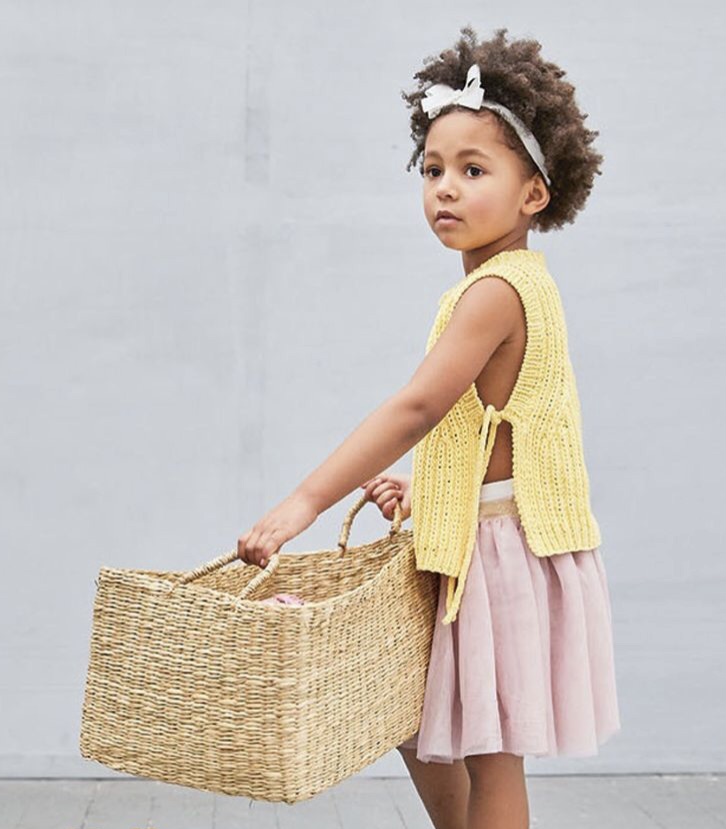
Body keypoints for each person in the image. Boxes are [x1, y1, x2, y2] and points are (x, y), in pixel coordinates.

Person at [236, 24, 620, 829]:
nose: (445, 188)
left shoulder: (495, 292)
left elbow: (418, 406)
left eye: (473, 170)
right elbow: (504, 434)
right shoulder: (514, 283)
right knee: (429, 726)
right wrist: (427, 489)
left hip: (499, 557)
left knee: (491, 754)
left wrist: (304, 501)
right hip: (489, 535)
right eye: (433, 169)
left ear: (534, 194)